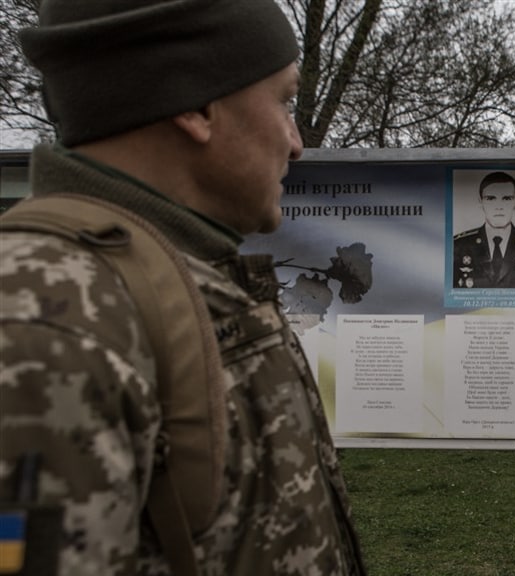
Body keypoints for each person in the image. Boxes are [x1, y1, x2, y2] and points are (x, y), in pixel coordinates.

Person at [0, 1, 366, 574]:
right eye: (285, 101)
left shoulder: (171, 276)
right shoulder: (42, 320)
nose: (296, 143)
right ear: (197, 106)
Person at [453, 171, 515, 289]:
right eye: (490, 198)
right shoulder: (459, 245)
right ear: (480, 202)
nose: (499, 206)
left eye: (506, 198)